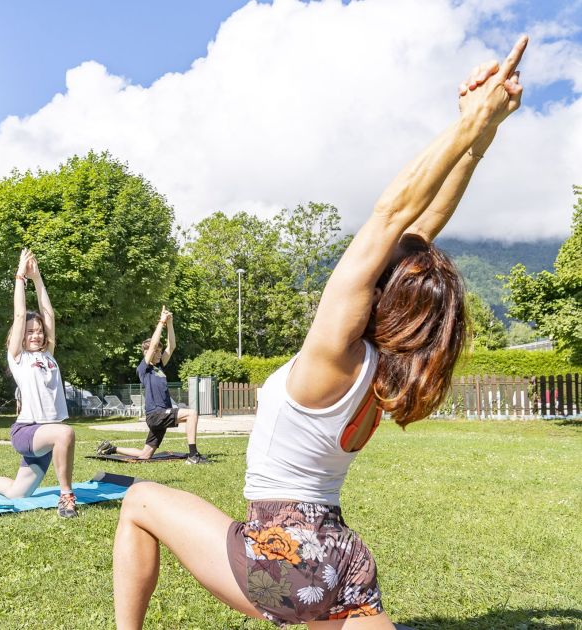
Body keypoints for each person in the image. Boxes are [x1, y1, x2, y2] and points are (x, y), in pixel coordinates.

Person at [111, 37, 528, 628]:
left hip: (286, 559)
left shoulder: (331, 358)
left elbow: (391, 216)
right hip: (342, 559)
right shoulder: (383, 368)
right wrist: (480, 137)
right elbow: (420, 227)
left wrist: (468, 125)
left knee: (139, 499)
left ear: (375, 291)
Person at [0, 248, 79, 518]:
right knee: (65, 433)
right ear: (20, 336)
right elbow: (20, 315)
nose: (36, 334)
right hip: (28, 431)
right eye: (31, 332)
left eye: (39, 331)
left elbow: (49, 314)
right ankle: (66, 497)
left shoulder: (47, 355)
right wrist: (20, 277)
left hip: (46, 437)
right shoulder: (18, 358)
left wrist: (38, 277)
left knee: (18, 493)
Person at [96, 306, 208, 464]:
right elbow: (154, 344)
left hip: (159, 416)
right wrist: (161, 322)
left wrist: (170, 323)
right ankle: (193, 455)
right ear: (147, 353)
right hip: (156, 414)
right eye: (156, 351)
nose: (160, 353)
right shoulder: (144, 368)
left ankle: (111, 448)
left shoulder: (159, 366)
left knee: (145, 454)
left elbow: (172, 346)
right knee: (191, 414)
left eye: (160, 351)